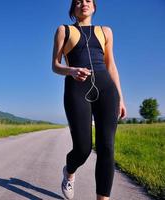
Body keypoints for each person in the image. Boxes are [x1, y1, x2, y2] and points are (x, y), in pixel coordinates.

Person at [51, 0, 127, 199]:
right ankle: (69, 171)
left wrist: (120, 97)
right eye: (78, 2)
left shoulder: (106, 31)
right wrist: (71, 70)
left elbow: (111, 66)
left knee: (107, 147)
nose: (83, 4)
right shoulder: (63, 30)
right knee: (83, 148)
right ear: (73, 9)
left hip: (106, 89)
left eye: (88, 1)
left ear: (93, 7)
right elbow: (55, 65)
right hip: (76, 88)